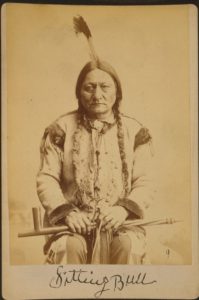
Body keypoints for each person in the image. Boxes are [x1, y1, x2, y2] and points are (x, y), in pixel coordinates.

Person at [36, 60, 154, 264]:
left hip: (120, 222)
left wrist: (123, 210)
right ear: (79, 93)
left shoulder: (135, 131)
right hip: (73, 225)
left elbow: (145, 181)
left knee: (127, 247)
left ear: (117, 91)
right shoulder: (60, 129)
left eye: (105, 87)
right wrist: (68, 214)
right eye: (89, 88)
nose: (97, 95)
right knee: (69, 247)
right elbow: (46, 179)